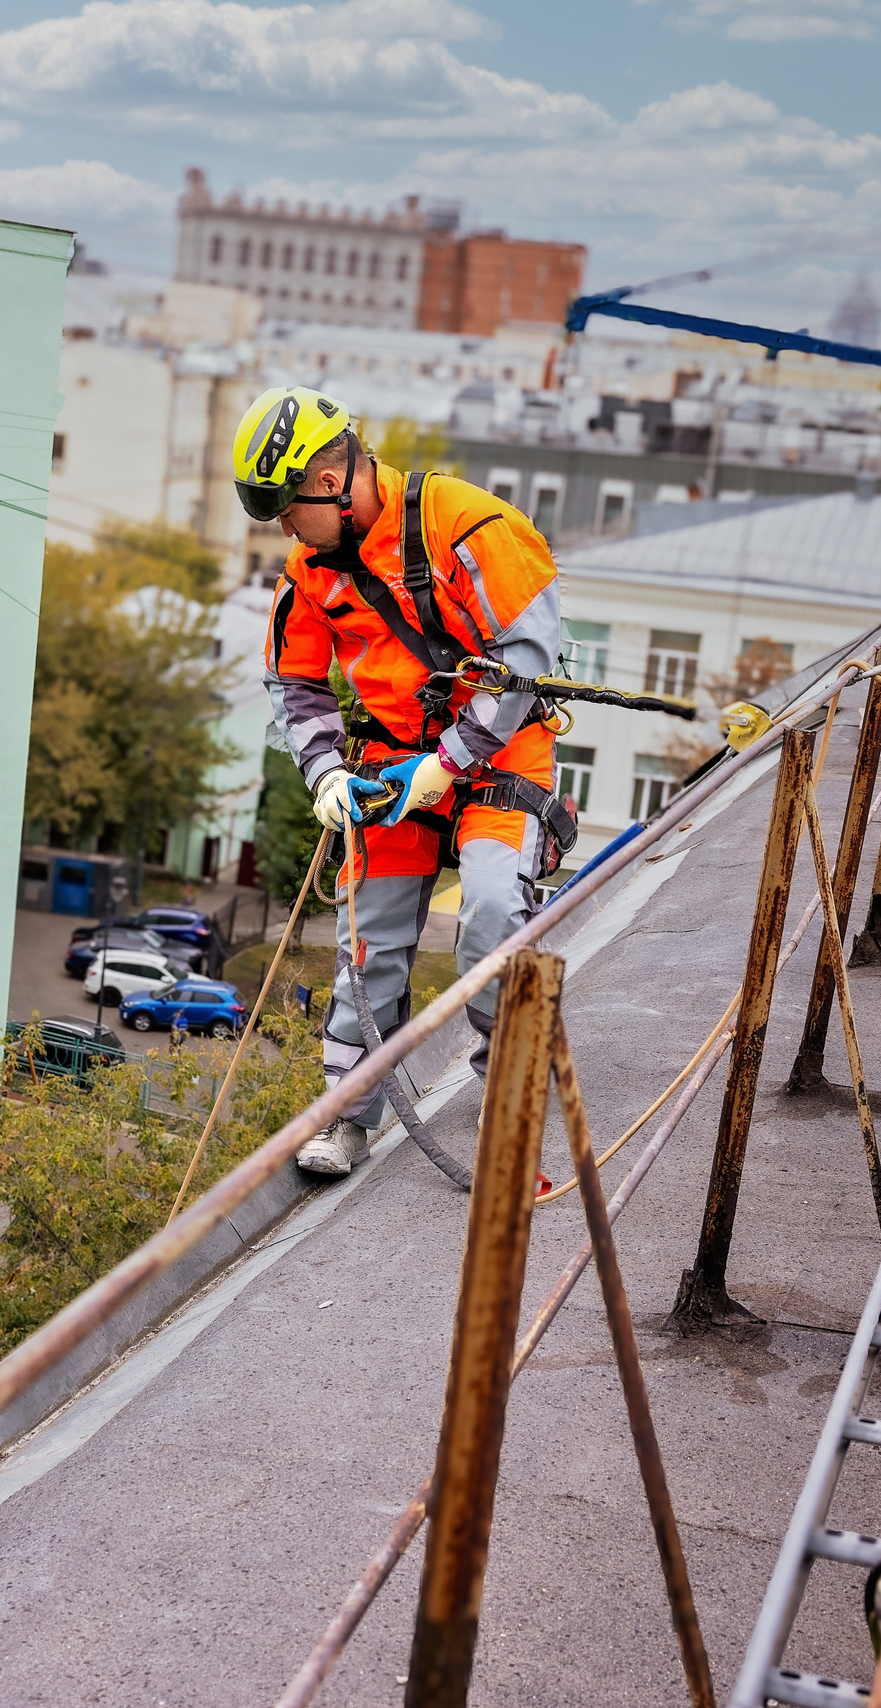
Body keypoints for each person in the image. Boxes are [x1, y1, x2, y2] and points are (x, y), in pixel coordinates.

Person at [237, 385, 572, 1175]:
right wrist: (323, 771)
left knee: (490, 908)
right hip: (392, 763)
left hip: (499, 754)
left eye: (288, 510)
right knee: (369, 940)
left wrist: (448, 762)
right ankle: (348, 1118)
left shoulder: (470, 526)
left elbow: (525, 665)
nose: (286, 529)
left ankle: (507, 1089)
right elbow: (297, 684)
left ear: (330, 481)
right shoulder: (309, 571)